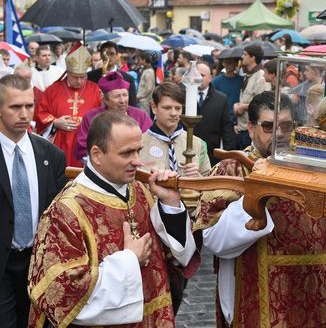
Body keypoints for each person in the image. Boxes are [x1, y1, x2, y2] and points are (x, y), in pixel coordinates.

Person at [194, 90, 326, 327]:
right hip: (256, 302)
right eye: (269, 126)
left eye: (286, 125)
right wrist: (258, 192)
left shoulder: (310, 171)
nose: (280, 134)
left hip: (311, 298)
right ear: (251, 128)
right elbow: (214, 240)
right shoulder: (231, 169)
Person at [27, 110, 199, 327]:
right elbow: (61, 295)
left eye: (138, 151)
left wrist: (170, 204)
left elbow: (176, 257)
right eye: (127, 153)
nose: (137, 161)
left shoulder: (141, 191)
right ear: (97, 155)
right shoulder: (65, 211)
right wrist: (129, 260)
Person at [0, 75, 66, 328]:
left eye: (29, 105)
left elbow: (58, 212)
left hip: (38, 264)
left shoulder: (50, 155)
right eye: (15, 107)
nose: (24, 114)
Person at [34, 44, 102, 167]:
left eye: (82, 77)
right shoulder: (53, 90)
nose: (80, 81)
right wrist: (55, 122)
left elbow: (104, 115)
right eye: (75, 77)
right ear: (68, 73)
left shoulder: (96, 90)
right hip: (60, 143)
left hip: (87, 144)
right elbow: (40, 112)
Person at [75, 72, 153, 163]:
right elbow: (83, 149)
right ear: (106, 100)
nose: (122, 101)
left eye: (125, 95)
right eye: (117, 96)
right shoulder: (91, 117)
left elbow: (150, 142)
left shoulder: (140, 115)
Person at [141, 82, 211, 177]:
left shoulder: (197, 144)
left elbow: (209, 183)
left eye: (178, 108)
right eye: (167, 108)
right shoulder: (140, 144)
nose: (173, 113)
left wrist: (197, 177)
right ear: (154, 107)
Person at [194, 61, 238, 166]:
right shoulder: (184, 96)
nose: (199, 78)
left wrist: (228, 155)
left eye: (202, 75)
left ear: (210, 78)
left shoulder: (220, 99)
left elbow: (227, 128)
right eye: (196, 75)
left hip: (211, 155)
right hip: (187, 152)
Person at [233, 44, 270, 149]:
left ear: (253, 57)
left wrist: (242, 107)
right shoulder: (248, 75)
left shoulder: (261, 77)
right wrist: (237, 106)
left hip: (251, 130)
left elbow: (263, 103)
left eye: (245, 54)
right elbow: (245, 98)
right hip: (242, 128)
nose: (242, 57)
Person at [87, 41, 138, 107]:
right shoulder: (91, 77)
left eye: (112, 54)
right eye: (106, 54)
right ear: (101, 56)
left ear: (117, 56)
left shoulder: (127, 79)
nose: (109, 57)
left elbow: (132, 105)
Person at [211, 50, 243, 124]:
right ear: (223, 63)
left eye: (230, 62)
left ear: (235, 64)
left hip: (238, 118)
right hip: (221, 117)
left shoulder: (242, 80)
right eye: (226, 62)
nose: (228, 65)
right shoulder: (216, 81)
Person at [136, 51, 157, 116]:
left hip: (145, 100)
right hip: (143, 99)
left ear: (144, 60)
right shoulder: (146, 70)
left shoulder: (149, 71)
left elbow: (149, 88)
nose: (138, 61)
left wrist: (139, 96)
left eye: (139, 59)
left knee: (144, 117)